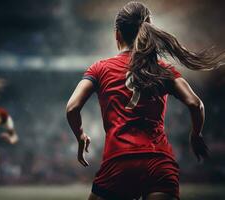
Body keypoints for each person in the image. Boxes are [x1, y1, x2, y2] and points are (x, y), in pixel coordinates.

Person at [66, 2, 224, 200]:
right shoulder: (162, 69)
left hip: (119, 162)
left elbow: (72, 107)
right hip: (158, 162)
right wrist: (196, 133)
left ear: (117, 35)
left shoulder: (99, 69)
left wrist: (80, 135)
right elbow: (195, 104)